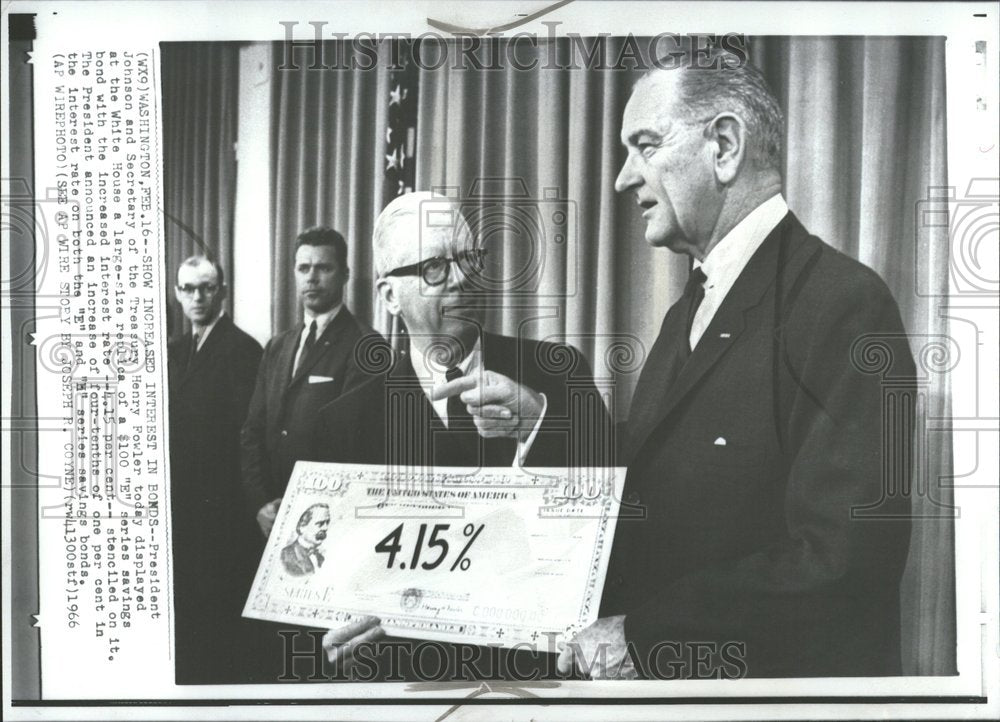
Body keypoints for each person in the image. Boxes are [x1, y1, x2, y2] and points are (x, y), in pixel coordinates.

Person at [558, 51, 916, 680]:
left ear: (723, 144)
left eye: (645, 145)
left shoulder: (842, 302)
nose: (622, 179)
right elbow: (663, 479)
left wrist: (643, 634)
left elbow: (844, 562)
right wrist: (543, 418)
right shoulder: (687, 310)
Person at [310, 191, 614, 679]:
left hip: (541, 678)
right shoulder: (344, 422)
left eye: (469, 258)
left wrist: (539, 422)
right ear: (390, 296)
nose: (461, 278)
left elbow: (611, 517)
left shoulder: (556, 374)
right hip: (409, 683)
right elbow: (328, 590)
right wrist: (346, 616)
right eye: (434, 266)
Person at [241, 227, 375, 538]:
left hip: (326, 518)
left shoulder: (366, 345)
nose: (312, 277)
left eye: (323, 268)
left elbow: (354, 448)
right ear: (294, 273)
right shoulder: (277, 346)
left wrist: (308, 509)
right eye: (304, 268)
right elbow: (252, 431)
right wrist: (261, 503)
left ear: (345, 274)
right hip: (272, 516)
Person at [167, 255, 263, 684]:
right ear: (177, 295)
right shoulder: (172, 350)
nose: (197, 297)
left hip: (223, 511)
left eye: (206, 287)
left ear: (222, 292)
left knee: (219, 620)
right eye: (188, 289)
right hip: (182, 508)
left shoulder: (243, 349)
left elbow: (248, 437)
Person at [281, 504, 330, 576]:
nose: (326, 528)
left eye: (327, 523)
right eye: (320, 524)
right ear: (302, 527)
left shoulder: (321, 557)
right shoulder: (286, 555)